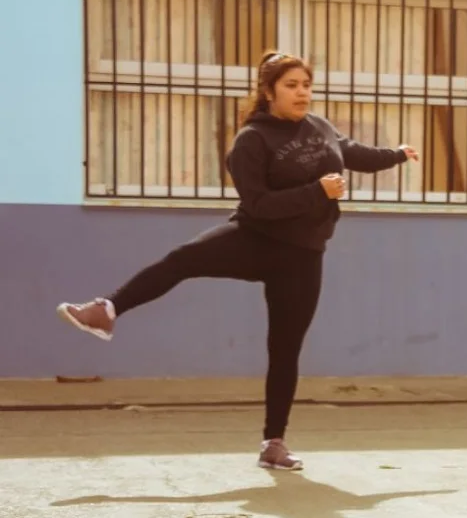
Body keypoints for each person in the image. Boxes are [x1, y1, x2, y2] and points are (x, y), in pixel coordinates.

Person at [57, 50, 419, 471]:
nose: (302, 92)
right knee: (182, 259)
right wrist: (316, 192)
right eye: (291, 85)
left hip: (303, 256)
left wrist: (395, 154)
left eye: (306, 85)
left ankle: (274, 443)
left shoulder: (318, 126)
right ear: (269, 92)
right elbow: (260, 204)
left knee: (285, 350)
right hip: (255, 238)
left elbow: (351, 151)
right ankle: (106, 309)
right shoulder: (252, 140)